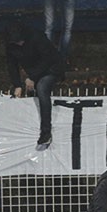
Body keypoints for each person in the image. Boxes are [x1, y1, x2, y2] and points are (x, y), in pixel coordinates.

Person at [5, 22, 67, 150]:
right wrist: (17, 84)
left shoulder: (36, 37)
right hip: (34, 70)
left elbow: (48, 59)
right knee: (34, 89)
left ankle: (46, 132)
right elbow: (12, 64)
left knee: (42, 88)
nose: (20, 45)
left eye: (21, 42)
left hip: (52, 68)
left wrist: (32, 77)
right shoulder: (11, 45)